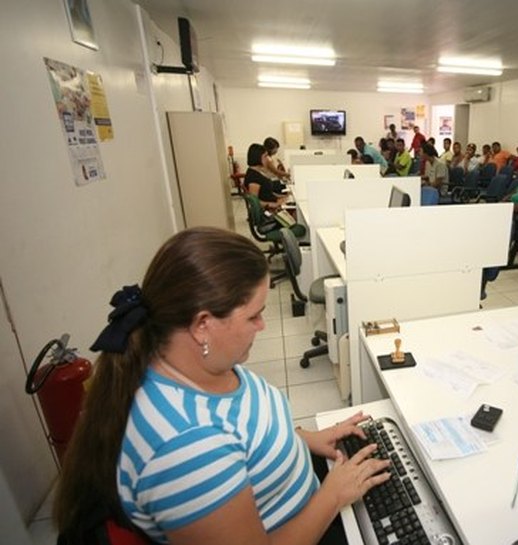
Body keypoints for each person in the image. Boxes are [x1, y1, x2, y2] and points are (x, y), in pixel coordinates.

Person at [54, 228, 391, 545]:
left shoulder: (189, 364)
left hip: (308, 497)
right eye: (253, 316)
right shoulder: (186, 448)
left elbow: (242, 426)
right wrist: (333, 496)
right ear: (203, 325)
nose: (262, 325)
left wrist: (303, 438)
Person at [243, 143, 288, 211]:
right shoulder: (253, 177)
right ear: (257, 157)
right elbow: (255, 203)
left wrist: (282, 196)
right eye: (265, 156)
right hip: (269, 210)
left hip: (273, 203)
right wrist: (274, 204)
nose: (267, 159)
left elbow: (267, 192)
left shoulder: (257, 171)